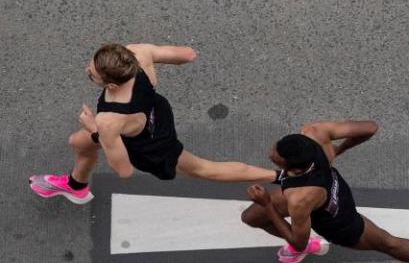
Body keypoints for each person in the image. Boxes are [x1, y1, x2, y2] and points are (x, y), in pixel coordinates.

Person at [30, 43, 275, 204]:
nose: (87, 69)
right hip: (155, 110)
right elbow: (187, 54)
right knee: (77, 142)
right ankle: (76, 186)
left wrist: (95, 130)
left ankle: (279, 176)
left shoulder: (108, 121)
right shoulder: (137, 54)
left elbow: (124, 171)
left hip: (151, 144)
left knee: (203, 169)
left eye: (92, 74)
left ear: (112, 86)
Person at [241, 123, 409, 263]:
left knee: (389, 244)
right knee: (250, 217)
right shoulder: (315, 135)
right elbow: (370, 128)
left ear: (292, 167)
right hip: (331, 194)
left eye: (276, 157)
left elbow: (298, 243)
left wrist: (266, 203)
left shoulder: (299, 198)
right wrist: (340, 149)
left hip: (343, 226)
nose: (271, 154)